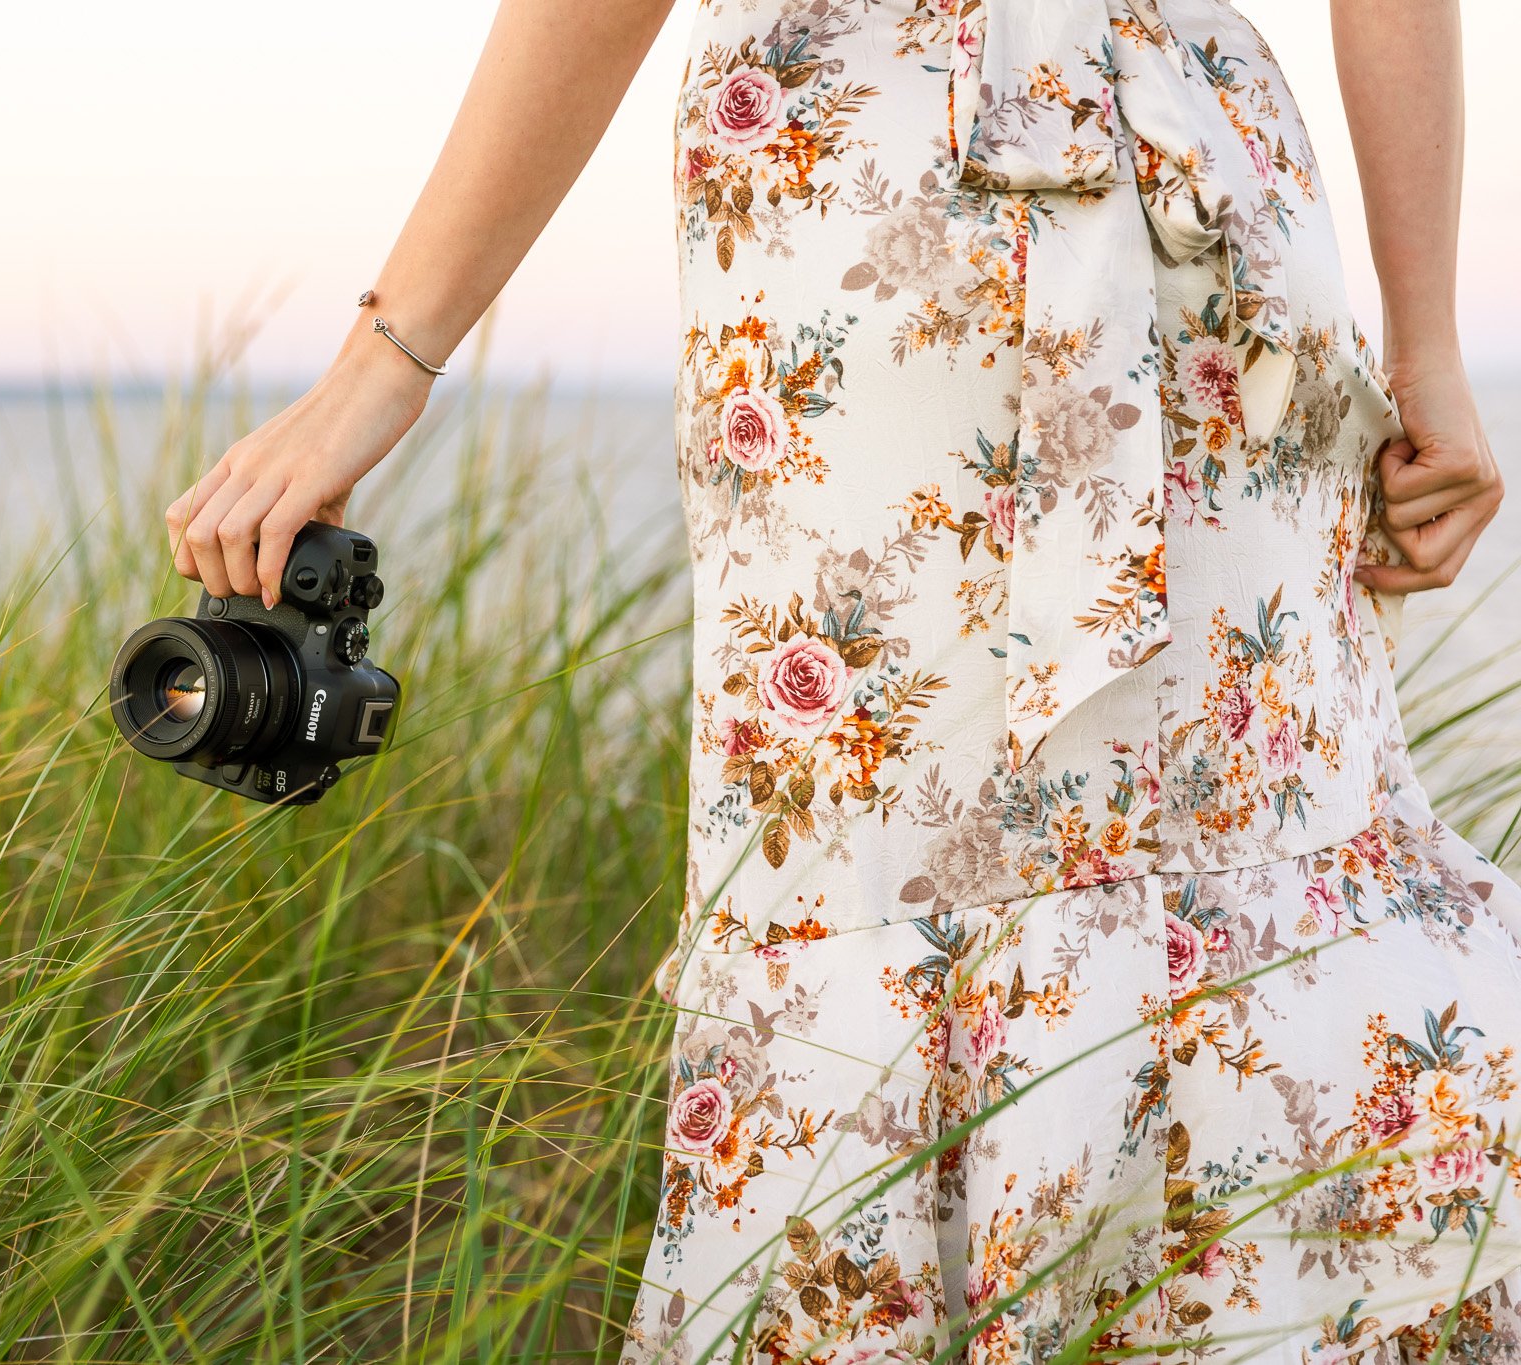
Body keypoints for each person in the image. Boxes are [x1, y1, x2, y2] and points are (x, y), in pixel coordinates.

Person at [163, 0, 1517, 1359]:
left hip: (877, 198)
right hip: (1199, 188)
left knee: (880, 881)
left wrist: (381, 368)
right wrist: (1428, 350)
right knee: (1253, 860)